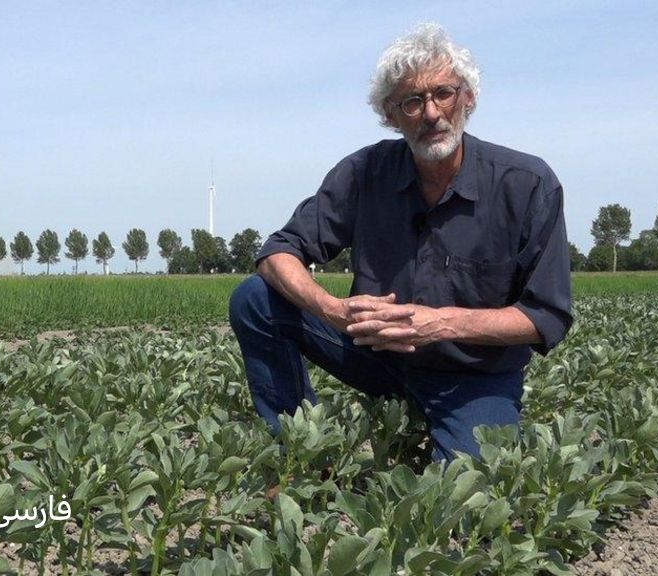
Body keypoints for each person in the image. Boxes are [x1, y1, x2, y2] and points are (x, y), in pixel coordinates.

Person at [228, 23, 572, 462]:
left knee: (465, 495)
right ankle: (298, 452)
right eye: (412, 101)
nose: (431, 113)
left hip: (473, 379)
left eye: (443, 93)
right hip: (377, 359)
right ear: (391, 116)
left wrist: (442, 323)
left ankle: (447, 428)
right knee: (256, 299)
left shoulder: (526, 185)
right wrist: (332, 310)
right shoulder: (364, 173)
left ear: (468, 99)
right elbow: (278, 252)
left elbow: (546, 316)